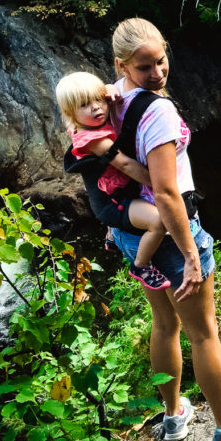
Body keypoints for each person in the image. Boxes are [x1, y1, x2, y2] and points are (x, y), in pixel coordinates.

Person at [107, 18, 221, 441]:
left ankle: (174, 417)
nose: (157, 73)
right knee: (204, 333)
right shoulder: (157, 112)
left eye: (161, 61)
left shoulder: (104, 101)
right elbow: (167, 192)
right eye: (144, 67)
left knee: (164, 323)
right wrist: (191, 254)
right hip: (172, 234)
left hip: (133, 232)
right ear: (121, 64)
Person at [55, 71, 170, 290]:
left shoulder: (84, 123)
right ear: (71, 113)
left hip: (110, 192)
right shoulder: (94, 140)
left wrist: (109, 89)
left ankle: (111, 234)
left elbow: (104, 96)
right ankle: (141, 265)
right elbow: (125, 164)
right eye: (85, 104)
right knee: (158, 222)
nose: (96, 107)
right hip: (111, 204)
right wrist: (158, 183)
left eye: (99, 99)